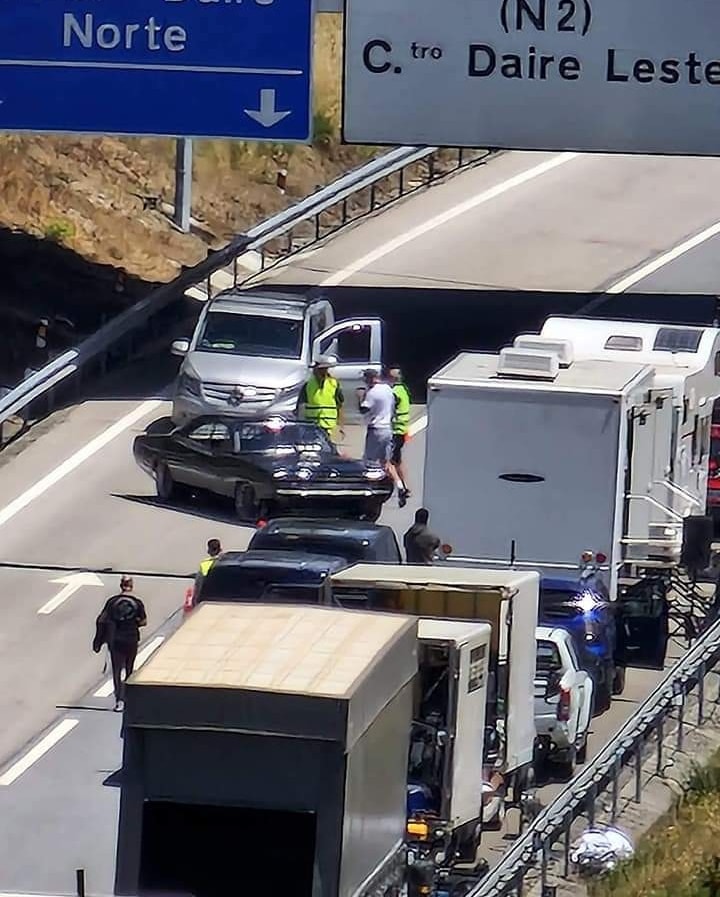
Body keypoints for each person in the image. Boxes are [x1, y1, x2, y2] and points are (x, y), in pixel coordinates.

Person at [93, 576, 147, 712]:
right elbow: (144, 621)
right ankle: (129, 699)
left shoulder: (112, 602)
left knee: (117, 671)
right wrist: (133, 623)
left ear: (121, 585)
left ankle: (119, 701)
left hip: (116, 640)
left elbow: (101, 620)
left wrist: (98, 641)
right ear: (131, 586)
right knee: (130, 670)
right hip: (132, 639)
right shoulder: (137, 602)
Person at [297, 356, 345, 443]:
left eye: (324, 369)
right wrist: (301, 424)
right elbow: (301, 405)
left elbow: (340, 405)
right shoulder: (308, 385)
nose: (321, 371)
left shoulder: (334, 384)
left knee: (327, 450)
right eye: (319, 369)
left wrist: (341, 425)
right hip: (312, 425)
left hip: (328, 426)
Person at [357, 368, 395, 468]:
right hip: (387, 428)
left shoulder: (372, 393)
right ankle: (396, 482)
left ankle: (371, 481)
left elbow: (363, 410)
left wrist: (360, 397)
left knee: (370, 461)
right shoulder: (387, 388)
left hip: (376, 429)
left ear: (371, 378)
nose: (364, 382)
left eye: (365, 379)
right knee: (384, 460)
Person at [387, 365, 411, 507]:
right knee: (397, 461)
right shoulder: (403, 389)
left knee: (388, 462)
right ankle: (404, 486)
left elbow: (389, 408)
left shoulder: (394, 392)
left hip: (395, 430)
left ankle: (399, 486)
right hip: (402, 430)